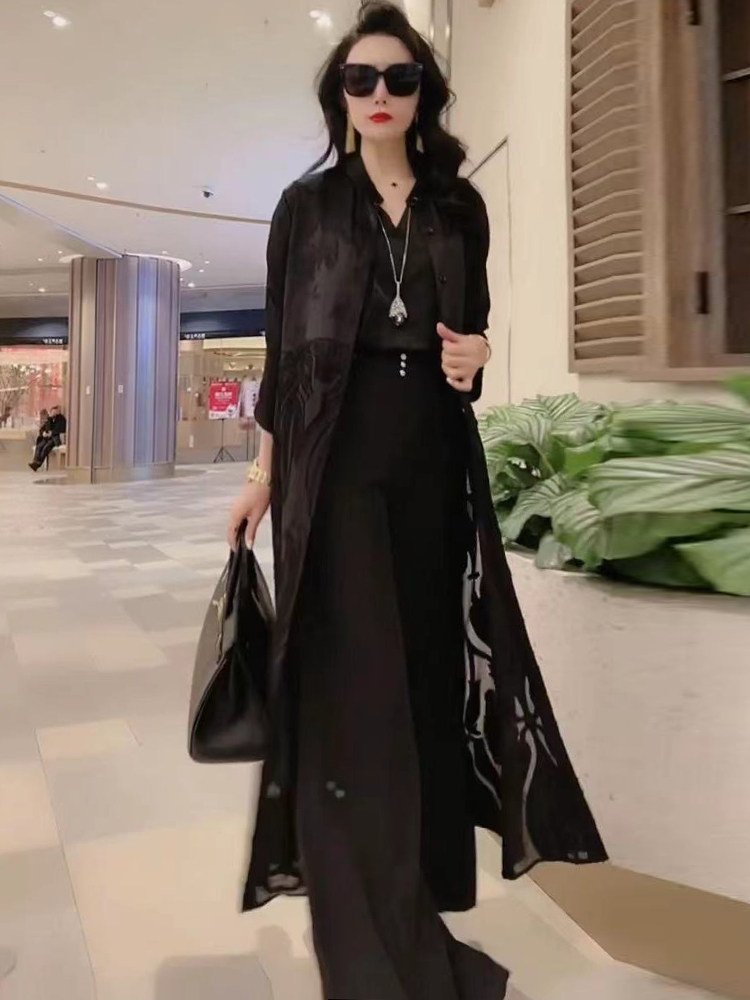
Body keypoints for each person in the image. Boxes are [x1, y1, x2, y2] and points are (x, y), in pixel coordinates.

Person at [227, 5, 607, 998]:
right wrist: (263, 476)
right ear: (340, 96)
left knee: (424, 688)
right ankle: (366, 945)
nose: (381, 95)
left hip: (434, 466)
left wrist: (477, 355)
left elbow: (470, 338)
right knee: (356, 700)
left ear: (423, 93)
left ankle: (409, 909)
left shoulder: (456, 207)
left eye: (400, 79)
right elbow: (282, 356)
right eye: (361, 80)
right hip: (336, 468)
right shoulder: (307, 207)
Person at [29, 405, 66, 471]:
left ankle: (38, 464)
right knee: (39, 446)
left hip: (54, 439)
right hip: (47, 438)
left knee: (46, 447)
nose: (53, 414)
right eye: (52, 412)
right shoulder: (49, 419)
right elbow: (42, 429)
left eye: (55, 412)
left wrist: (52, 433)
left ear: (58, 412)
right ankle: (35, 462)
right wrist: (43, 433)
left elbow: (61, 429)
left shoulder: (61, 419)